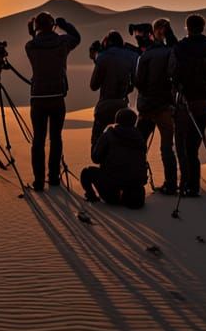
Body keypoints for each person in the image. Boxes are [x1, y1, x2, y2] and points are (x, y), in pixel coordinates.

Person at [25, 11, 81, 191]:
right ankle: (54, 177)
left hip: (38, 98)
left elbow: (35, 43)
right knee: (56, 138)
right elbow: (76, 37)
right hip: (57, 97)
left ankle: (39, 181)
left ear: (37, 27)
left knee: (38, 140)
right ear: (52, 25)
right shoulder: (62, 43)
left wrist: (33, 32)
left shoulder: (30, 46)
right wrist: (63, 23)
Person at [168, 13, 206, 197]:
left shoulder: (180, 47)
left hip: (185, 101)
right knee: (193, 145)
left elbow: (172, 71)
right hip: (204, 101)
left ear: (187, 27)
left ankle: (187, 184)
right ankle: (193, 184)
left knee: (182, 144)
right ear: (203, 27)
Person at [135, 17, 179, 195]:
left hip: (147, 107)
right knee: (167, 147)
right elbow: (174, 75)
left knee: (139, 144)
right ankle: (171, 183)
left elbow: (138, 81)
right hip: (165, 106)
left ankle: (136, 178)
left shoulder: (146, 55)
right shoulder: (172, 51)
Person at [80, 108, 148, 208]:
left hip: (111, 190)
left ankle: (92, 196)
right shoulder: (139, 138)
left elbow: (95, 158)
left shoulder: (109, 135)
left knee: (86, 172)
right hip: (135, 193)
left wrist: (96, 141)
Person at [89, 30, 138, 149]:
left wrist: (96, 59)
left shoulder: (102, 57)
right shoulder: (132, 56)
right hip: (122, 105)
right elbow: (136, 82)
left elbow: (93, 85)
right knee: (124, 143)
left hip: (104, 105)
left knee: (96, 144)